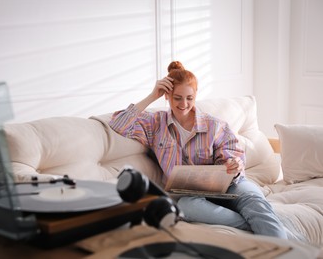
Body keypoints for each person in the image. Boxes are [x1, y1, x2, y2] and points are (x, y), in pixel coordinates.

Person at [109, 61, 288, 239]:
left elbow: (233, 155)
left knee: (254, 202)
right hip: (192, 196)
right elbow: (118, 123)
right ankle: (255, 225)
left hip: (231, 185)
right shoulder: (155, 123)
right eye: (177, 97)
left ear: (195, 96)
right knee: (187, 207)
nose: (183, 104)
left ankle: (274, 234)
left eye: (189, 98)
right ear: (167, 96)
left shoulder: (214, 125)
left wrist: (232, 165)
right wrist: (151, 96)